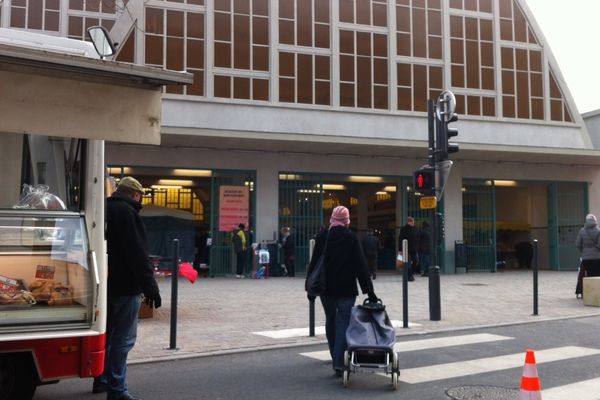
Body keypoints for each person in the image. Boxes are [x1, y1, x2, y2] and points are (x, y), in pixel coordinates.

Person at [93, 177, 161, 400]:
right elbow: (138, 255)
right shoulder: (128, 214)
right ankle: (117, 390)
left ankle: (101, 379)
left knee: (108, 336)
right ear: (135, 195)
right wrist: (151, 288)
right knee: (123, 340)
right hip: (126, 287)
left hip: (104, 286)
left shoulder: (103, 208)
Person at [305, 206, 377, 377]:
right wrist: (369, 291)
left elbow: (314, 263)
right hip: (346, 290)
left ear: (332, 218)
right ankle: (339, 361)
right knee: (343, 322)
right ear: (346, 220)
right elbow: (361, 265)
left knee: (330, 320)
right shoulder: (351, 238)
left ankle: (335, 355)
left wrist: (309, 289)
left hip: (326, 289)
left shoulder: (323, 236)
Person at [575, 214, 600, 297]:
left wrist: (584, 251)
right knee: (596, 276)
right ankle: (596, 293)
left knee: (585, 275)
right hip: (597, 258)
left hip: (586, 258)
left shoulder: (582, 231)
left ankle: (585, 293)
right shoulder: (598, 231)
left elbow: (578, 244)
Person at [399, 216, 419, 281]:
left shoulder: (415, 228)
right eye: (412, 221)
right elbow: (400, 239)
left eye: (413, 221)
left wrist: (417, 247)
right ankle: (409, 276)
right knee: (408, 263)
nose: (413, 223)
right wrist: (400, 250)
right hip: (406, 249)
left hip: (414, 248)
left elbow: (417, 238)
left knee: (415, 261)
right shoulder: (404, 229)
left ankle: (410, 274)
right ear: (409, 222)